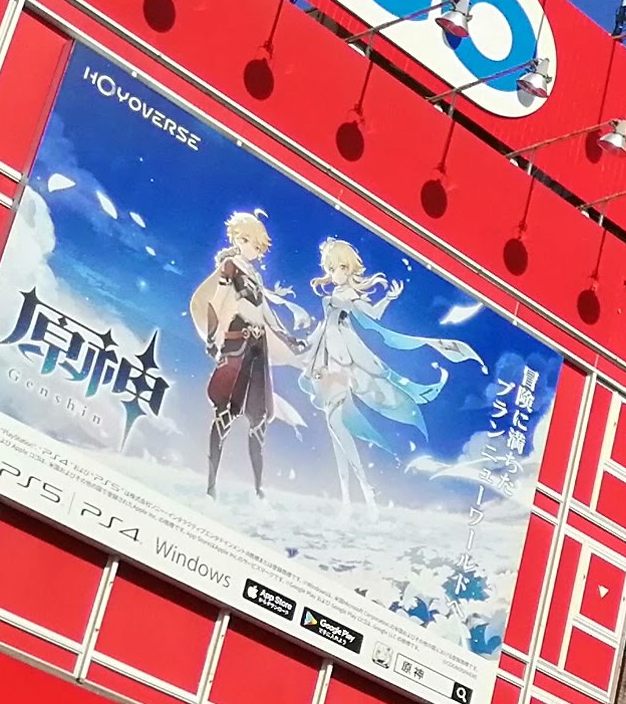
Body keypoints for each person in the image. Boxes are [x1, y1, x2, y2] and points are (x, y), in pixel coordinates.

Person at [290, 237, 479, 514]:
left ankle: (362, 490)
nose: (333, 274)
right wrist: (306, 348)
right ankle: (350, 494)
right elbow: (324, 329)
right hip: (326, 360)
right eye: (330, 268)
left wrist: (389, 299)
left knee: (338, 426)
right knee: (335, 428)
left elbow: (373, 316)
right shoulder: (332, 297)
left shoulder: (349, 296)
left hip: (343, 362)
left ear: (347, 268)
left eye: (337, 268)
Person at [188, 211, 284, 500]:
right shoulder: (231, 266)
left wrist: (288, 336)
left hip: (258, 344)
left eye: (256, 245)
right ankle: (211, 483)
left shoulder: (254, 274)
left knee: (258, 417)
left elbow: (266, 312)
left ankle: (258, 487)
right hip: (238, 338)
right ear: (236, 238)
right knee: (225, 412)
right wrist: (211, 336)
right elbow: (216, 302)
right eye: (246, 240)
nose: (251, 248)